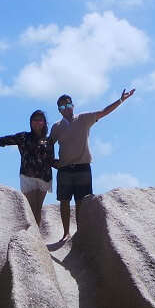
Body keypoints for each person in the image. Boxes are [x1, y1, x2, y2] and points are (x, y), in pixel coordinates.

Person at [49, 88, 135, 240]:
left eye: (68, 105)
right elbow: (49, 145)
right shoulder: (56, 127)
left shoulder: (83, 119)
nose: (66, 109)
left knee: (82, 201)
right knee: (64, 201)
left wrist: (121, 100)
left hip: (83, 167)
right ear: (59, 111)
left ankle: (81, 232)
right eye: (62, 107)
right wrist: (51, 162)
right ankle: (65, 233)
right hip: (65, 169)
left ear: (73, 105)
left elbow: (104, 112)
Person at [0, 110, 54, 225]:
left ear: (44, 122)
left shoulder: (48, 140)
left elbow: (51, 160)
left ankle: (36, 236)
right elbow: (1, 140)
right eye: (34, 120)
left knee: (38, 208)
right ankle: (32, 234)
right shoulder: (23, 137)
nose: (37, 122)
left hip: (45, 177)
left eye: (40, 120)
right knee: (31, 208)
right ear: (30, 122)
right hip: (28, 177)